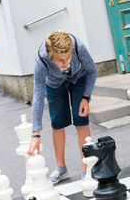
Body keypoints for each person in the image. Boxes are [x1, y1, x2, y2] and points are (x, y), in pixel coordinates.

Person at [28, 30, 98, 184]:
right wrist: (35, 134)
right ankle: (60, 168)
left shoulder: (78, 46)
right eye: (60, 60)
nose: (66, 63)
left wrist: (86, 97)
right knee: (57, 122)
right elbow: (38, 95)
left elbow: (92, 71)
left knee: (81, 119)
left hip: (79, 79)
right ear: (50, 56)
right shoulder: (41, 60)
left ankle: (87, 167)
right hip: (54, 84)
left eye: (68, 57)